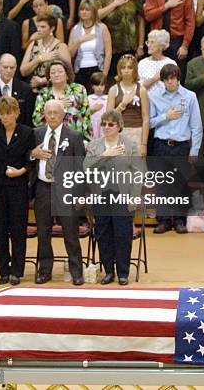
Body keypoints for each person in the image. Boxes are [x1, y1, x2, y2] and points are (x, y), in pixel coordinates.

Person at [84, 109, 144, 285]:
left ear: (119, 126)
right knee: (103, 234)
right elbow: (86, 167)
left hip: (122, 196)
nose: (106, 127)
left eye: (111, 124)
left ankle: (123, 272)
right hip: (101, 195)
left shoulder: (130, 145)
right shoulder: (95, 145)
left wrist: (134, 196)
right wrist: (104, 155)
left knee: (122, 234)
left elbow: (139, 172)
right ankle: (109, 271)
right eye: (103, 124)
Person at [30, 99, 85, 285]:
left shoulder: (74, 136)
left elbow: (80, 168)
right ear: (44, 115)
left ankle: (76, 271)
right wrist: (32, 154)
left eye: (56, 112)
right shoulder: (36, 134)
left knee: (71, 233)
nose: (52, 116)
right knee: (43, 233)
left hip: (66, 190)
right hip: (43, 188)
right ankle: (45, 271)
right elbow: (25, 159)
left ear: (63, 115)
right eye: (49, 112)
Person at [149, 63, 202, 234]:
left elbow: (196, 126)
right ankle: (163, 220)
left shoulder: (190, 96)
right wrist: (166, 116)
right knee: (161, 184)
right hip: (161, 145)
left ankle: (180, 219)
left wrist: (194, 150)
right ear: (163, 81)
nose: (170, 82)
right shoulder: (154, 96)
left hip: (181, 146)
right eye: (167, 79)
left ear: (178, 78)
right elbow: (148, 122)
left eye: (173, 78)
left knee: (181, 183)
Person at [0, 97, 34, 285]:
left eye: (8, 113)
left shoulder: (26, 132)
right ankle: (3, 270)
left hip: (18, 187)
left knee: (17, 229)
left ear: (16, 113)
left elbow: (31, 158)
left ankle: (17, 270)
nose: (5, 117)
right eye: (1, 114)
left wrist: (21, 171)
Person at [144, 0, 195, 76]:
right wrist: (166, 6)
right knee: (155, 74)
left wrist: (185, 45)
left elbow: (190, 22)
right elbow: (148, 16)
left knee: (175, 75)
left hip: (176, 41)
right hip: (156, 40)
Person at [95, 0, 144, 75]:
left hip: (131, 46)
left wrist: (140, 45)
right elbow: (96, 16)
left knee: (131, 77)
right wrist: (114, 4)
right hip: (111, 47)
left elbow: (141, 21)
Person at [32, 59, 92, 141]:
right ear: (49, 77)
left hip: (75, 137)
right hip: (51, 139)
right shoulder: (44, 94)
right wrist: (57, 105)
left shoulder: (79, 90)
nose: (56, 75)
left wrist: (87, 140)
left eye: (60, 71)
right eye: (52, 73)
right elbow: (37, 120)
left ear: (67, 75)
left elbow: (86, 115)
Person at [106, 54, 149, 155]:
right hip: (119, 133)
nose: (126, 70)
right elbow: (108, 118)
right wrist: (122, 105)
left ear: (135, 70)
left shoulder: (142, 90)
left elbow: (146, 118)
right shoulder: (113, 90)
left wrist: (144, 144)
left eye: (130, 67)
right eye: (123, 67)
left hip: (138, 132)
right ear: (119, 70)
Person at [20, 14, 71, 92]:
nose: (39, 29)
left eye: (43, 27)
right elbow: (23, 71)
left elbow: (69, 72)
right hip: (33, 91)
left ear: (52, 29)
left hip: (54, 91)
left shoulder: (61, 46)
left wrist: (42, 80)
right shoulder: (33, 44)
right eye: (38, 26)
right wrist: (39, 59)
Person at [68, 0, 112, 87]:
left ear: (93, 12)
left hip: (97, 69)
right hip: (80, 70)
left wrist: (104, 75)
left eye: (87, 10)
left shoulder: (102, 28)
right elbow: (69, 55)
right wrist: (79, 41)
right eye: (82, 9)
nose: (84, 12)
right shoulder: (75, 29)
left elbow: (108, 53)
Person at [138, 29, 177, 95]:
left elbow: (175, 87)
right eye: (148, 42)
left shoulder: (170, 63)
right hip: (146, 101)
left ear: (161, 46)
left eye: (152, 42)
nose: (149, 45)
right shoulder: (142, 63)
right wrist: (154, 79)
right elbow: (137, 88)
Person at [87, 71, 108, 139]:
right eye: (97, 85)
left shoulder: (107, 99)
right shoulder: (88, 98)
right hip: (93, 125)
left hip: (104, 125)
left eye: (102, 85)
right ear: (92, 86)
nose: (99, 87)